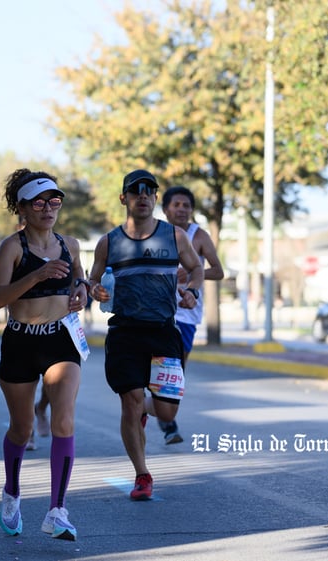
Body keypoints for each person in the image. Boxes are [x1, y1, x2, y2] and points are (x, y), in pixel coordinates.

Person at [88, 169, 203, 501]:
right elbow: (93, 280)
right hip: (124, 333)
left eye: (149, 191)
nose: (143, 195)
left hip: (164, 332)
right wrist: (96, 290)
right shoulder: (108, 242)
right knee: (130, 399)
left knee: (167, 412)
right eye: (135, 190)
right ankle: (142, 474)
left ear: (155, 198)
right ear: (124, 198)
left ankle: (143, 411)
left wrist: (192, 290)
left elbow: (196, 268)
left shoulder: (174, 237)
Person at [0, 168, 89, 540]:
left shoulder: (70, 244)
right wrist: (36, 275)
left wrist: (83, 291)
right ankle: (12, 493)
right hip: (20, 341)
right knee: (22, 427)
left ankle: (57, 510)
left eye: (54, 201)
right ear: (23, 209)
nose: (49, 208)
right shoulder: (12, 248)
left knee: (63, 421)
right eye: (39, 203)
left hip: (61, 338)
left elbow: (80, 279)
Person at [149, 186, 225, 444]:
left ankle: (162, 414)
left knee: (176, 371)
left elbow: (218, 271)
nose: (182, 209)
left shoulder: (199, 235)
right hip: (156, 310)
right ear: (166, 208)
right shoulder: (154, 233)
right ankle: (166, 420)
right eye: (177, 204)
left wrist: (192, 273)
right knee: (154, 367)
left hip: (186, 313)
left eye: (187, 205)